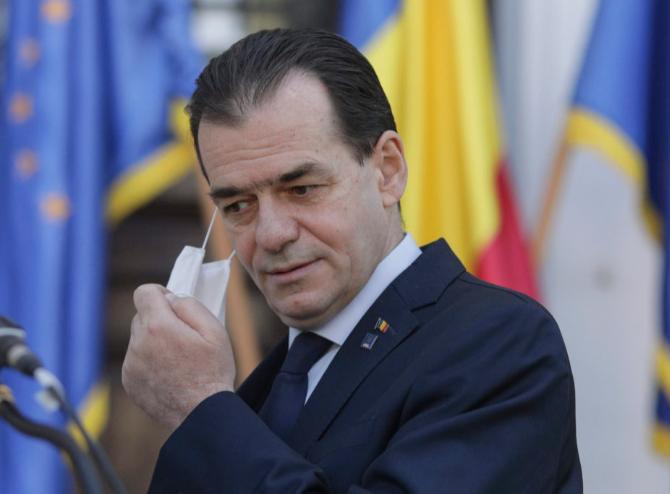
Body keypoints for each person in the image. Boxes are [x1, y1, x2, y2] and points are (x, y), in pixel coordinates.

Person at [122, 28, 582, 493]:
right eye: (238, 205)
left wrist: (201, 404)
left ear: (388, 170)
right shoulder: (265, 385)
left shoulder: (501, 344)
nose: (272, 234)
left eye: (302, 189)